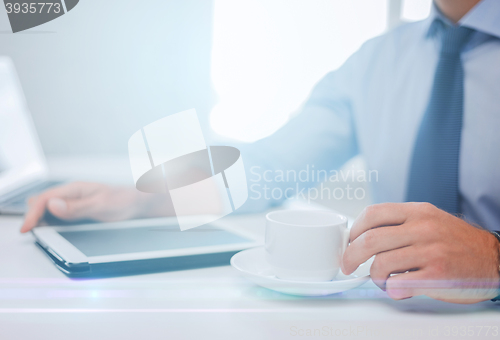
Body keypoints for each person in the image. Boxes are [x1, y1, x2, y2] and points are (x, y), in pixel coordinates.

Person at [21, 0, 500, 304]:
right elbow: (272, 167)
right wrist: (144, 199)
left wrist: (493, 257)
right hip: (398, 321)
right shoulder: (376, 60)